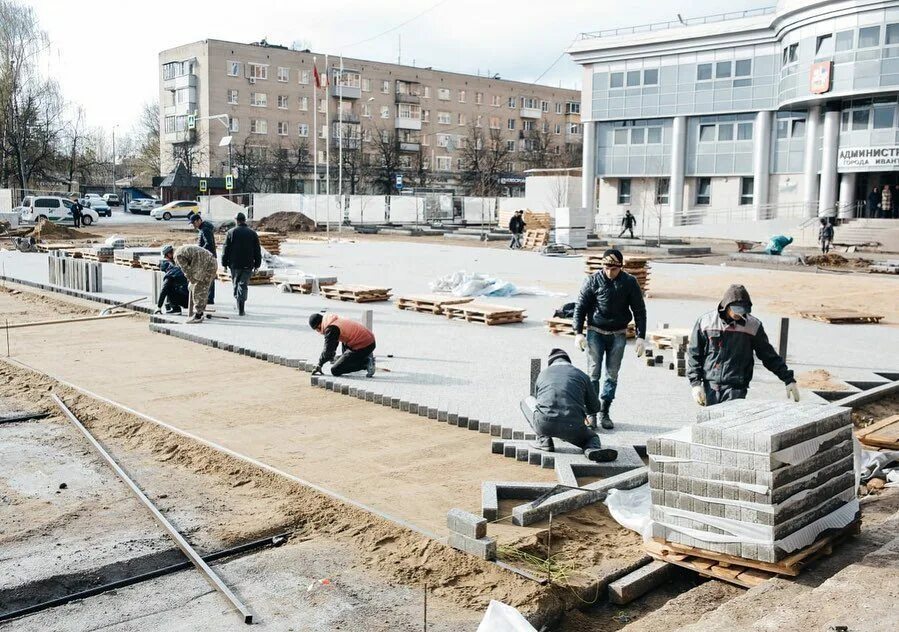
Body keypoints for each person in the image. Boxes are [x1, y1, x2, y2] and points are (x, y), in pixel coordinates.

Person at [687, 284, 799, 407]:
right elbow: (694, 354)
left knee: (730, 424)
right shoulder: (706, 322)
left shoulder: (753, 326)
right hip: (710, 387)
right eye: (736, 310)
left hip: (736, 388)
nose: (739, 314)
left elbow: (768, 356)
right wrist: (696, 384)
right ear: (726, 305)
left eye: (743, 311)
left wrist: (788, 379)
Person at [573, 249, 647, 430]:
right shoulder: (592, 281)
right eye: (606, 267)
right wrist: (578, 332)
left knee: (612, 375)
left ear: (620, 267)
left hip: (618, 334)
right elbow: (580, 307)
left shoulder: (629, 282)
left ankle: (604, 411)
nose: (609, 272)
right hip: (595, 332)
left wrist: (640, 337)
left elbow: (639, 310)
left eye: (613, 269)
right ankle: (591, 413)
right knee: (593, 374)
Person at [520, 348, 618, 463]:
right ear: (568, 362)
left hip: (545, 425)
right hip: (573, 426)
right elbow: (595, 407)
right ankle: (591, 449)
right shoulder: (582, 375)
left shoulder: (543, 374)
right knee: (592, 438)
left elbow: (539, 403)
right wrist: (581, 407)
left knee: (526, 401)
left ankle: (544, 440)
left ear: (551, 363)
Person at [309, 312, 376, 377]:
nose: (318, 332)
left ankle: (366, 362)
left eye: (317, 330)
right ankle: (356, 359)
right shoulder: (332, 320)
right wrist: (331, 356)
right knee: (342, 354)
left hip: (365, 345)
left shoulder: (331, 329)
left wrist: (320, 364)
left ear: (318, 326)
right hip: (368, 340)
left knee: (335, 370)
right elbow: (333, 345)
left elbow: (328, 350)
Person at [221, 212, 261, 316]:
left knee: (236, 284)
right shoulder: (252, 233)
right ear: (245, 220)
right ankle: (241, 306)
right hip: (248, 264)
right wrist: (257, 264)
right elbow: (257, 250)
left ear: (236, 220)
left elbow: (226, 249)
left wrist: (224, 263)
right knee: (243, 285)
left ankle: (239, 305)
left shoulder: (231, 232)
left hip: (235, 264)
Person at [173, 244, 218, 324]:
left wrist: (191, 281)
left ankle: (198, 315)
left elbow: (186, 270)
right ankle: (199, 312)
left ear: (168, 255)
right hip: (212, 262)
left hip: (205, 265)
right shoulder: (182, 250)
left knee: (198, 289)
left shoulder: (178, 255)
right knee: (203, 289)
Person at [189, 212, 217, 305]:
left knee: (208, 278)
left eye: (194, 223)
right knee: (208, 278)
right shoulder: (203, 229)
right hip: (207, 257)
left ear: (199, 221)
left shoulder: (205, 230)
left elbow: (209, 244)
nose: (193, 225)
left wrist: (200, 251)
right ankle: (209, 297)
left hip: (207, 258)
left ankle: (209, 298)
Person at [154, 245, 189, 315]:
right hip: (193, 298)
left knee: (168, 288)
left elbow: (164, 290)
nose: (167, 258)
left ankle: (176, 309)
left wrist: (158, 307)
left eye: (166, 256)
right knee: (172, 287)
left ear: (169, 254)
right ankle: (174, 307)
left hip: (186, 300)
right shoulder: (181, 263)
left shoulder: (170, 274)